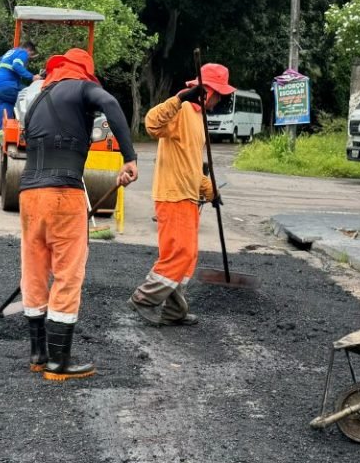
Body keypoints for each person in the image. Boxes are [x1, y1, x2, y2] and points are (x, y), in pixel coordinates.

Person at [19, 48, 138, 380]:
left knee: (35, 269)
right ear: (84, 71)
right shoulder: (82, 87)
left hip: (29, 194)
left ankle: (38, 354)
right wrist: (129, 157)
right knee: (68, 274)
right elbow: (112, 104)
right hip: (63, 194)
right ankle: (59, 363)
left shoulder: (37, 99)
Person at [129, 63, 236, 327]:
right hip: (173, 194)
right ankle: (144, 298)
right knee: (179, 254)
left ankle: (174, 310)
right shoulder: (183, 109)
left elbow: (191, 165)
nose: (221, 99)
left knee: (186, 256)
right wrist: (178, 99)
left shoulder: (198, 118)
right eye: (219, 93)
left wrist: (211, 191)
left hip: (187, 194)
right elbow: (152, 123)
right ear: (208, 90)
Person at [0, 40, 38, 129]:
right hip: (6, 86)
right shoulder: (23, 52)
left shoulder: (10, 52)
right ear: (29, 50)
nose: (28, 59)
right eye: (30, 56)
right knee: (31, 97)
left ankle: (6, 139)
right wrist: (32, 77)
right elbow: (16, 66)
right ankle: (31, 129)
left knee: (5, 118)